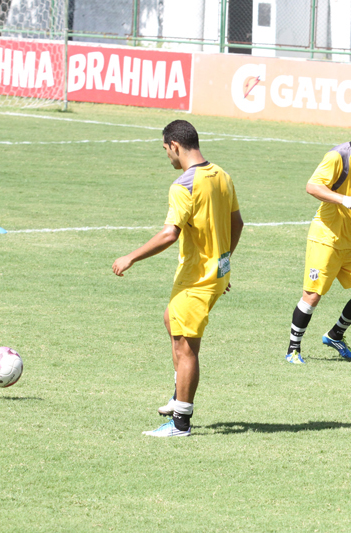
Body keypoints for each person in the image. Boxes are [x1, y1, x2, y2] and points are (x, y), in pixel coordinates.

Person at [112, 120, 243, 437]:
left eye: (165, 150)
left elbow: (170, 233)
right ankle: (177, 396)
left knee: (185, 348)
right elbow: (237, 223)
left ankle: (180, 423)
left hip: (198, 278)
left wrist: (130, 256)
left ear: (174, 145)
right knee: (172, 319)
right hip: (209, 273)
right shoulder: (221, 175)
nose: (167, 157)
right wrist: (223, 265)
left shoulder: (184, 185)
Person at [285, 107, 351, 364]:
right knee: (313, 296)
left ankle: (335, 335)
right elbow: (312, 186)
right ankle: (293, 349)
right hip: (327, 238)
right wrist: (343, 200)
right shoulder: (337, 156)